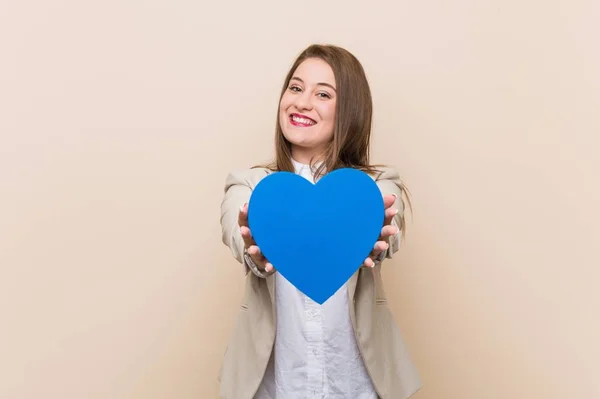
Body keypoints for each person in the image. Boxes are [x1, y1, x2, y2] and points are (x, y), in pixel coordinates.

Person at [218, 44, 422, 399]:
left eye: (323, 93)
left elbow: (392, 223)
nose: (302, 102)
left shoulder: (375, 184)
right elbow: (236, 230)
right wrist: (254, 251)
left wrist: (381, 233)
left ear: (349, 110)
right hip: (276, 383)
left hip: (357, 382)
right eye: (295, 88)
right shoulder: (250, 184)